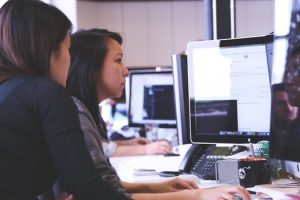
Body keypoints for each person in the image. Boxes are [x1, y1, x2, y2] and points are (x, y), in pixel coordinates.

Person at [66, 28, 251, 200]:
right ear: (91, 67)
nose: (125, 71)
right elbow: (107, 197)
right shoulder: (76, 114)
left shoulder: (84, 111)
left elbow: (107, 187)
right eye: (118, 60)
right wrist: (197, 196)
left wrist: (157, 187)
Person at [0, 1, 131, 200]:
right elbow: (89, 190)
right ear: (49, 50)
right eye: (68, 49)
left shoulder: (10, 91)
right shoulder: (47, 93)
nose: (71, 59)